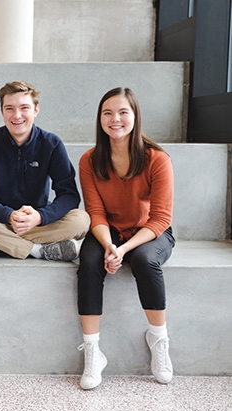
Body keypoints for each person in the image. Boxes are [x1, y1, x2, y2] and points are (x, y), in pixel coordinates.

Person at [76, 87, 175, 390]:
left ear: (134, 116)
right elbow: (95, 212)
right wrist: (108, 245)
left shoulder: (156, 159)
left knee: (145, 260)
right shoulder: (90, 160)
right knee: (90, 260)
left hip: (149, 231)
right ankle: (93, 350)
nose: (115, 119)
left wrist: (124, 248)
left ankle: (159, 340)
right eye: (107, 113)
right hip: (110, 231)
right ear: (99, 119)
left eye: (123, 112)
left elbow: (161, 218)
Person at [0, 81, 90, 261]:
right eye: (9, 108)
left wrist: (40, 217)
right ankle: (37, 250)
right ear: (2, 112)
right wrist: (8, 215)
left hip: (36, 224)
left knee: (81, 220)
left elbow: (69, 195)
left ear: (36, 110)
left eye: (24, 107)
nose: (17, 115)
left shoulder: (51, 144)